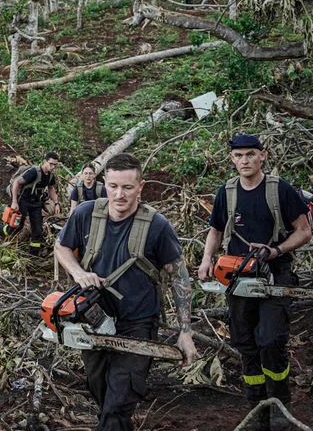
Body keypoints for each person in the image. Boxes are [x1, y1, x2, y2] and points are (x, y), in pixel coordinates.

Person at [55, 153, 197, 431]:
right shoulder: (85, 214)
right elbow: (61, 247)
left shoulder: (158, 226)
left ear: (141, 187)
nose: (119, 195)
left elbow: (180, 277)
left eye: (128, 187)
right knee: (102, 392)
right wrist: (78, 272)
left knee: (118, 404)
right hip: (93, 319)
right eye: (113, 186)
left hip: (138, 325)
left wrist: (185, 330)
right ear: (104, 182)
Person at [197, 134, 312, 431]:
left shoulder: (280, 190)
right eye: (239, 156)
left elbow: (304, 231)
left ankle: (279, 402)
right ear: (232, 159)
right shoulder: (227, 192)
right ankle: (257, 406)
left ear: (262, 156)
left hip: (276, 273)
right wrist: (207, 260)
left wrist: (276, 250)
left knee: (271, 339)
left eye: (250, 155)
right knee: (245, 342)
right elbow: (215, 230)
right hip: (238, 275)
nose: (245, 161)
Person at [0, 152, 62, 256]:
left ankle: (33, 256)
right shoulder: (34, 172)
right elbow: (16, 183)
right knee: (15, 228)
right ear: (45, 161)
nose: (53, 167)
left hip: (36, 204)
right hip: (23, 201)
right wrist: (14, 201)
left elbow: (51, 188)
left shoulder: (50, 176)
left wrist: (56, 203)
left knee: (37, 231)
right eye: (51, 164)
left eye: (55, 165)